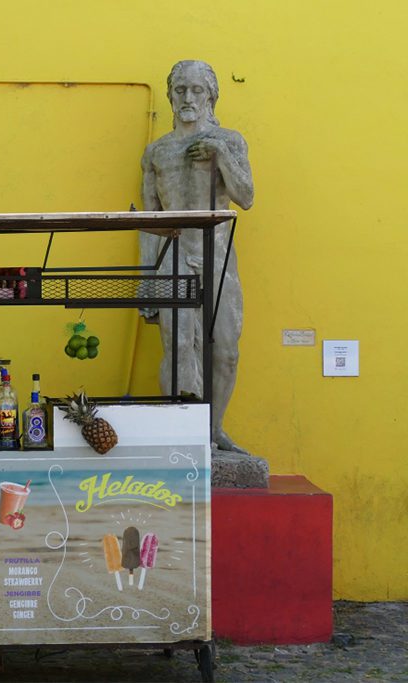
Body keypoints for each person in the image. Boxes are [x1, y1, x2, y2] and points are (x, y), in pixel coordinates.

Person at [139, 60, 254, 453]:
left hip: (217, 253)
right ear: (170, 95)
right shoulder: (156, 151)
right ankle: (183, 436)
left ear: (211, 96)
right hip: (171, 251)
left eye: (196, 90)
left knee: (226, 350)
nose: (188, 97)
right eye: (180, 90)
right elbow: (148, 220)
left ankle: (212, 430)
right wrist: (145, 280)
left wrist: (221, 153)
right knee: (178, 346)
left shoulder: (230, 140)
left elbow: (247, 197)